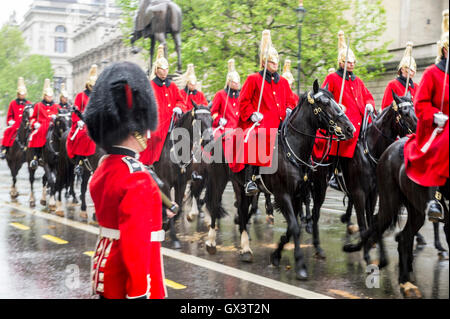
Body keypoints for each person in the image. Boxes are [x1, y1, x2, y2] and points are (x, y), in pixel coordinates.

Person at [84, 61, 166, 299]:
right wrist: (139, 292)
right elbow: (135, 243)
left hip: (106, 273)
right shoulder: (136, 177)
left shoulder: (105, 167)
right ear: (135, 130)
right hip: (128, 282)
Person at [404, 9, 449, 222]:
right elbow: (419, 104)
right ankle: (435, 200)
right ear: (445, 51)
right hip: (435, 127)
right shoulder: (432, 73)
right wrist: (434, 116)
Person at [238, 30, 296, 195]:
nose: (275, 65)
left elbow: (291, 100)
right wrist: (251, 114)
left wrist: (289, 108)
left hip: (282, 122)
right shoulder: (253, 79)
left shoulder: (284, 82)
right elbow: (244, 101)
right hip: (262, 122)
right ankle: (251, 179)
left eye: (276, 62)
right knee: (256, 138)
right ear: (264, 62)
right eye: (271, 62)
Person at [315, 30, 375, 190]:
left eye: (353, 62)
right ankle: (336, 174)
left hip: (360, 122)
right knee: (341, 143)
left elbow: (368, 96)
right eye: (348, 62)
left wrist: (369, 104)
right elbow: (324, 97)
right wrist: (336, 105)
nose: (352, 64)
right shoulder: (333, 78)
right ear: (341, 63)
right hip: (342, 122)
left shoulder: (358, 81)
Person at [140, 44, 185, 166]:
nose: (164, 71)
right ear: (156, 70)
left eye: (166, 69)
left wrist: (179, 108)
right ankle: (149, 165)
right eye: (162, 69)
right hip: (157, 124)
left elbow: (181, 101)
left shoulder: (173, 86)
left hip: (172, 122)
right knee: (154, 137)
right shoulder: (150, 86)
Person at [66, 65, 98, 176]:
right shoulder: (80, 95)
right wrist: (78, 120)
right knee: (83, 135)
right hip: (82, 123)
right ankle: (79, 163)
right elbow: (76, 111)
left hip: (96, 122)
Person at [28, 79, 59, 169]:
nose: (50, 98)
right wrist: (35, 124)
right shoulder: (38, 105)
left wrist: (56, 118)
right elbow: (33, 118)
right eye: (48, 96)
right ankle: (36, 157)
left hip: (53, 125)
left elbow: (59, 117)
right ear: (44, 96)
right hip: (42, 126)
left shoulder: (56, 106)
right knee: (35, 135)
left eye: (51, 96)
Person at [381, 41, 418, 109]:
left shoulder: (416, 87)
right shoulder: (393, 85)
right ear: (402, 69)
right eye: (409, 69)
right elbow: (386, 107)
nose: (412, 72)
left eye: (413, 70)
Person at [0, 77, 31, 159]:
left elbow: (31, 115)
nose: (22, 95)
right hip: (16, 124)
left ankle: (34, 153)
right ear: (18, 94)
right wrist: (10, 121)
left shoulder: (28, 103)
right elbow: (9, 115)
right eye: (21, 94)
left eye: (24, 94)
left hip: (25, 125)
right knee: (7, 131)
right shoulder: (13, 103)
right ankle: (4, 149)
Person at [210, 58, 241, 130]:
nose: (237, 84)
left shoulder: (241, 95)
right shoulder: (220, 94)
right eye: (234, 82)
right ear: (228, 82)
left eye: (238, 82)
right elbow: (214, 112)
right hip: (224, 129)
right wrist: (219, 119)